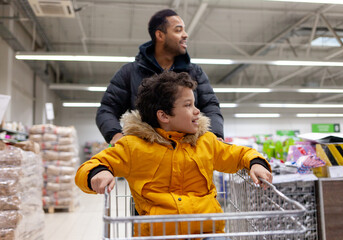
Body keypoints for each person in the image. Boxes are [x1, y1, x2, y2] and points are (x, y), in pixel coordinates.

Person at [76, 71, 272, 238]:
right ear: (164, 116)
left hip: (207, 233)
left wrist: (256, 163)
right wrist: (99, 172)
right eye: (188, 105)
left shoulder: (206, 142)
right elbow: (91, 166)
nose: (197, 111)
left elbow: (239, 154)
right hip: (158, 235)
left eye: (194, 104)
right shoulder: (133, 147)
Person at [96, 8, 224, 146]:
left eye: (184, 30)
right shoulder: (130, 72)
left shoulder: (194, 72)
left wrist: (215, 135)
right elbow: (107, 109)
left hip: (187, 154)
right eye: (178, 30)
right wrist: (116, 135)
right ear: (160, 35)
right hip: (145, 155)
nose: (185, 35)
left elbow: (211, 106)